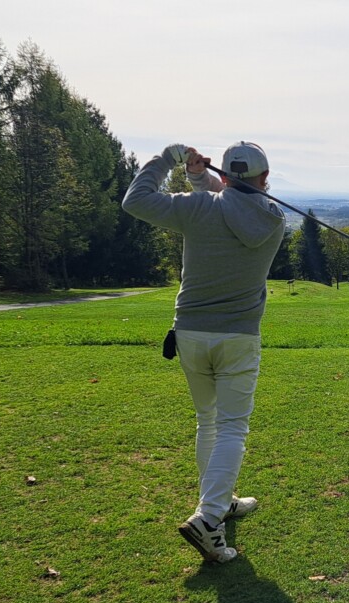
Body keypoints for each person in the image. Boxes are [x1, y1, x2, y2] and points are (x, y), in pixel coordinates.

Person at [122, 141, 285, 563]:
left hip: (190, 334)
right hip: (238, 337)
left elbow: (136, 200)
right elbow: (234, 205)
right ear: (265, 179)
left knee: (208, 422)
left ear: (226, 176)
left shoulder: (198, 209)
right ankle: (210, 517)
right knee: (232, 427)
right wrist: (200, 180)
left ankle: (221, 501)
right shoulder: (273, 218)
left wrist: (170, 162)